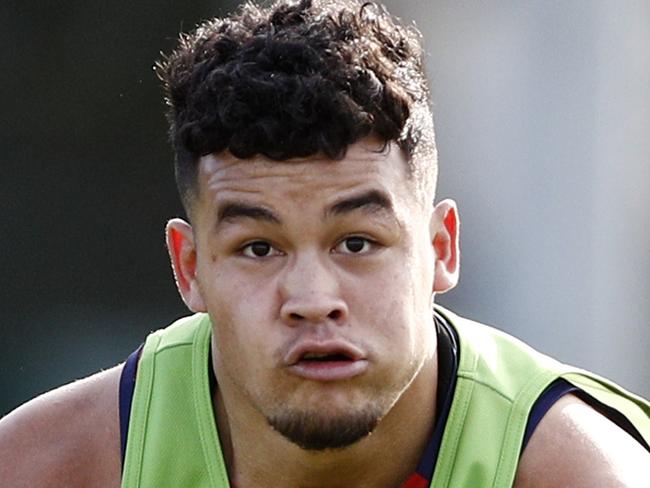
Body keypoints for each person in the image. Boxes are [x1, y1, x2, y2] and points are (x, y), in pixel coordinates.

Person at [1, 0, 649, 486]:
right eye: (259, 248)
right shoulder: (47, 468)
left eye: (358, 242)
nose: (313, 299)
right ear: (190, 267)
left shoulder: (582, 472)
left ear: (440, 248)